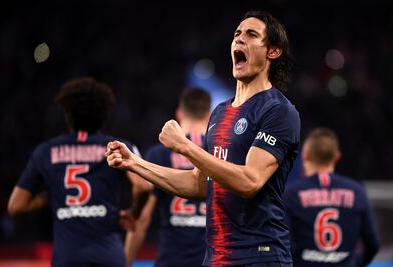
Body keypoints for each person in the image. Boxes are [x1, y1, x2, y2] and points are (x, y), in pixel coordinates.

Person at [106, 10, 300, 267]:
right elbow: (198, 185)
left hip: (260, 255)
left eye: (251, 34)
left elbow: (250, 181)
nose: (239, 39)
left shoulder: (278, 110)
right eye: (237, 34)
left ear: (272, 52)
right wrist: (135, 164)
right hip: (216, 258)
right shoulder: (220, 113)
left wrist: (185, 147)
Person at [8, 77, 152, 267]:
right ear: (104, 114)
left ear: (67, 114)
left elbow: (15, 206)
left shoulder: (45, 151)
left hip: (67, 257)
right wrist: (133, 212)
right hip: (108, 255)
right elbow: (143, 186)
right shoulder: (118, 147)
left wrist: (51, 195)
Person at [125, 88, 211, 267]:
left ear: (179, 113)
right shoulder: (220, 153)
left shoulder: (159, 154)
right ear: (210, 114)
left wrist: (125, 261)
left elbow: (143, 218)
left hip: (172, 258)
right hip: (214, 259)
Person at [283, 128, 380, 267]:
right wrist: (356, 263)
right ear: (337, 156)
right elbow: (373, 244)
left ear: (305, 155)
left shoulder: (291, 193)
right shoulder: (357, 191)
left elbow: (285, 244)